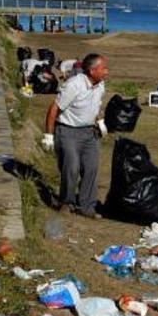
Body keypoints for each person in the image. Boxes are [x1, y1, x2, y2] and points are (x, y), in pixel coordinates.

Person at [42, 54, 109, 219]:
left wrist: (100, 123)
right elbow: (54, 109)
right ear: (92, 71)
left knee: (91, 168)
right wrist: (48, 136)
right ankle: (66, 202)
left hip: (89, 132)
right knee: (71, 168)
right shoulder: (74, 85)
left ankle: (87, 207)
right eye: (103, 68)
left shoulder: (100, 85)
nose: (106, 72)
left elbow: (95, 107)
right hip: (67, 131)